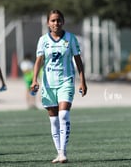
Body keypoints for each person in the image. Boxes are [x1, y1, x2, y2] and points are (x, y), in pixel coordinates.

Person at [30, 10, 87, 163]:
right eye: (53, 21)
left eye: (59, 20)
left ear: (63, 21)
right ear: (48, 23)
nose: (56, 23)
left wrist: (82, 81)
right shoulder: (43, 40)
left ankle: (63, 152)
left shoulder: (71, 38)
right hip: (48, 85)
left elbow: (78, 61)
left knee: (63, 115)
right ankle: (59, 152)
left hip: (66, 82)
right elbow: (38, 62)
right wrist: (35, 80)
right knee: (54, 120)